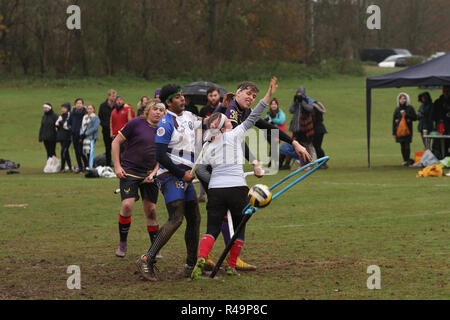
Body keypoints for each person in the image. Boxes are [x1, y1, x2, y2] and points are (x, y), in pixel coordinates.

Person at [191, 78, 309, 279]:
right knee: (234, 218)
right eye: (248, 94)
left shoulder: (238, 110)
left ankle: (210, 255)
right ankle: (230, 260)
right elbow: (237, 138)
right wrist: (254, 162)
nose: (251, 98)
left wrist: (294, 142)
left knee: (220, 216)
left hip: (213, 170)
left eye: (254, 96)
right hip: (214, 172)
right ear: (237, 93)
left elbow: (265, 126)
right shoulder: (230, 113)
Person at [136, 84, 203, 281]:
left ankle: (191, 265)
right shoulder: (166, 123)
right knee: (176, 218)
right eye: (178, 97)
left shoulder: (190, 117)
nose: (182, 99)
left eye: (183, 95)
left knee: (195, 218)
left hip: (185, 176)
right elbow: (160, 155)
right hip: (170, 175)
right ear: (168, 102)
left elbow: (210, 122)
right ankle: (146, 259)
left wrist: (225, 108)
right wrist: (181, 174)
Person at [112, 99, 165, 258]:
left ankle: (155, 249)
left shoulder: (164, 128)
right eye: (155, 109)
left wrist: (155, 172)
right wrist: (117, 166)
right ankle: (122, 244)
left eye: (161, 110)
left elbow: (164, 154)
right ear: (148, 110)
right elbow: (116, 142)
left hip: (150, 173)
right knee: (127, 205)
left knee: (151, 210)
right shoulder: (136, 123)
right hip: (130, 171)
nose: (157, 112)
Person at [289, 87, 315, 161]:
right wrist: (295, 101)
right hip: (297, 126)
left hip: (306, 126)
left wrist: (302, 101)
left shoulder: (307, 100)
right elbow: (291, 110)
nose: (299, 95)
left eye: (300, 93)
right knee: (295, 143)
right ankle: (298, 162)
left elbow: (310, 108)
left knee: (307, 144)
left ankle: (308, 161)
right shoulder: (296, 101)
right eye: (298, 93)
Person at [392, 93, 417, 166]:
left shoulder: (410, 108)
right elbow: (394, 121)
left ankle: (408, 160)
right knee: (402, 145)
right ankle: (405, 160)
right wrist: (393, 132)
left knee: (407, 144)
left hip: (407, 130)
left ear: (407, 99)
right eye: (401, 98)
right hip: (399, 130)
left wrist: (406, 115)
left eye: (404, 98)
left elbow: (415, 118)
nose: (402, 100)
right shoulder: (397, 109)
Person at [68, 98, 88, 173]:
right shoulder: (72, 113)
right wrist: (71, 129)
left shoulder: (85, 113)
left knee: (81, 151)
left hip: (82, 135)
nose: (78, 104)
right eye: (77, 103)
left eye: (80, 103)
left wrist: (83, 132)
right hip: (74, 134)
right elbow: (69, 123)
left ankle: (86, 166)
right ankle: (80, 167)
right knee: (76, 151)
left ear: (83, 105)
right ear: (75, 104)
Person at [98, 89, 117, 167]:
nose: (114, 98)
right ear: (109, 96)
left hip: (116, 130)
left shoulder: (117, 106)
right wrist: (105, 125)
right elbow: (100, 117)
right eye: (113, 96)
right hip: (106, 130)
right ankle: (108, 164)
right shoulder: (103, 106)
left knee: (116, 148)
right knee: (108, 148)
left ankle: (118, 164)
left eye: (115, 96)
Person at [431, 85, 450, 158]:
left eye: (448, 91)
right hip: (440, 128)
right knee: (440, 144)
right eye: (445, 91)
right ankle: (441, 158)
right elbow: (433, 116)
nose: (446, 93)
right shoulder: (437, 102)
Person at [80, 104, 100, 169]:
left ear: (93, 110)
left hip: (91, 137)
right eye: (88, 108)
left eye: (91, 108)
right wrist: (81, 133)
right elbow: (82, 126)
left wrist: (87, 133)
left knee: (90, 152)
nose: (89, 110)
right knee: (84, 152)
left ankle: (91, 167)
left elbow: (95, 127)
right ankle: (87, 165)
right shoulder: (84, 117)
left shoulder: (95, 118)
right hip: (84, 137)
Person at [55, 102, 73, 172]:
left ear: (68, 108)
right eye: (62, 108)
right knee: (66, 152)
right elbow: (57, 123)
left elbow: (66, 126)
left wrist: (60, 124)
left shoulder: (69, 115)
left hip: (67, 137)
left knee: (63, 151)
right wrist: (58, 126)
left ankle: (63, 167)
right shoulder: (61, 116)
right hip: (61, 136)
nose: (62, 109)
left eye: (64, 108)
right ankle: (70, 167)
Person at [311, 101, 328, 169]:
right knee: (317, 147)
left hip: (317, 130)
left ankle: (322, 162)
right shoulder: (319, 109)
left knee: (317, 147)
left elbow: (313, 120)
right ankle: (322, 163)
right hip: (321, 129)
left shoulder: (313, 110)